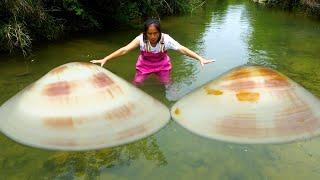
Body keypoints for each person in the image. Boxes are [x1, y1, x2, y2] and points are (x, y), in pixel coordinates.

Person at [90, 17, 215, 85]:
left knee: (166, 83)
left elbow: (182, 49)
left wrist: (199, 58)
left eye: (155, 33)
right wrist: (105, 58)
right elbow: (124, 50)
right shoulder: (141, 39)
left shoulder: (166, 40)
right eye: (150, 33)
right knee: (137, 83)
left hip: (163, 65)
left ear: (160, 32)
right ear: (145, 33)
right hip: (144, 65)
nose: (153, 36)